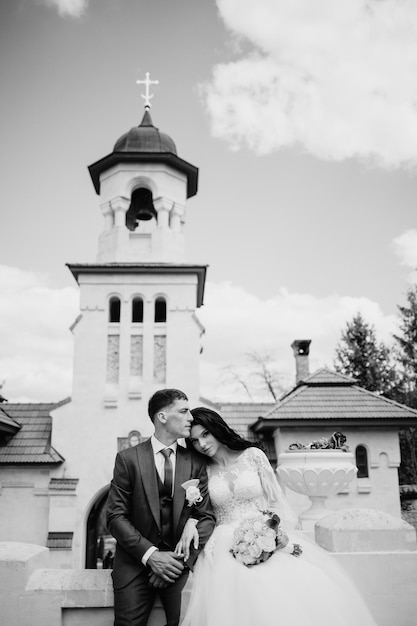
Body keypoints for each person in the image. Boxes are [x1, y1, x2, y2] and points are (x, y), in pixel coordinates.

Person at [180, 407, 378, 626]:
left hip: (262, 533)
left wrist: (268, 534)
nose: (202, 444)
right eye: (195, 440)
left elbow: (275, 501)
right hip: (222, 547)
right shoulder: (201, 470)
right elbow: (201, 510)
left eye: (205, 434)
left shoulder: (253, 456)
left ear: (216, 427)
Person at [106, 389, 216, 626]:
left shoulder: (196, 461)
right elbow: (115, 517)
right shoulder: (128, 459)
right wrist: (152, 556)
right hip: (135, 566)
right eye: (184, 411)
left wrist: (176, 562)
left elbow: (206, 516)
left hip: (181, 567)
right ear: (162, 417)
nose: (191, 418)